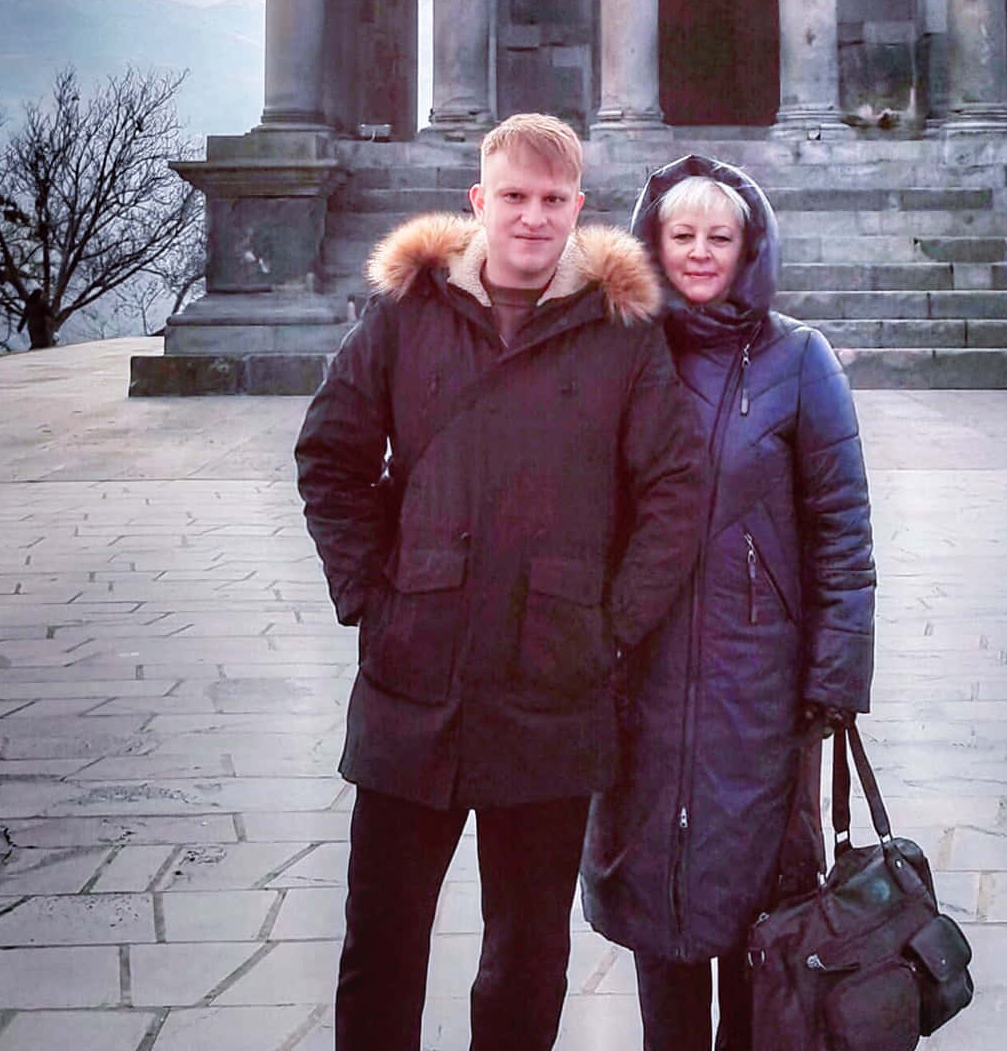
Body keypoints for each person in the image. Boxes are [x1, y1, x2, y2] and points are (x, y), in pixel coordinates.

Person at [296, 113, 707, 1051]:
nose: (532, 218)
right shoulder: (406, 313)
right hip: (415, 680)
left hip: (552, 685)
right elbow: (331, 454)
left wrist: (613, 625)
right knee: (382, 945)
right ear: (478, 202)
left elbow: (676, 487)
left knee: (525, 957)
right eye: (513, 198)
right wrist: (372, 593)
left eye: (552, 201)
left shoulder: (621, 334)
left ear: (578, 210)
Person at [583, 154, 876, 1051]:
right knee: (658, 912)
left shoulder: (799, 360)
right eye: (682, 236)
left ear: (751, 248)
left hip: (762, 689)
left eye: (721, 236)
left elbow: (842, 527)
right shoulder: (620, 351)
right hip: (642, 678)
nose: (701, 253)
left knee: (763, 929)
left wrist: (834, 678)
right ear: (653, 243)